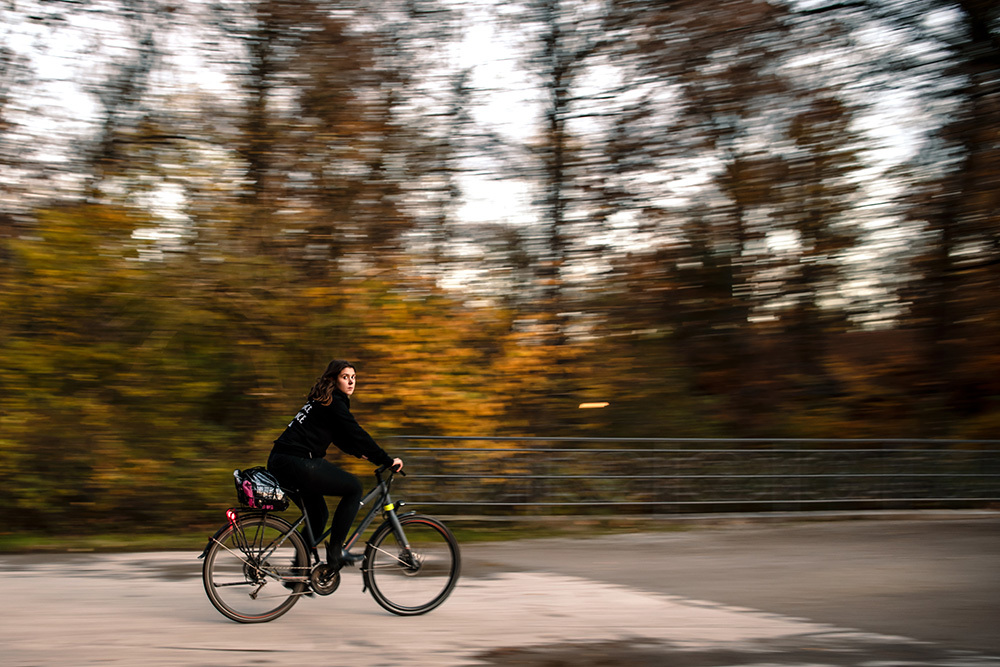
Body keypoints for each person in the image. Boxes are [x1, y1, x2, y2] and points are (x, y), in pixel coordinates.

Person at [267, 360, 403, 569]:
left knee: (319, 514)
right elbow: (356, 433)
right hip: (297, 461)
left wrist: (361, 453)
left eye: (353, 377)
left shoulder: (324, 401)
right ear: (333, 379)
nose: (351, 382)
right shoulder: (334, 403)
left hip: (282, 460)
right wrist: (386, 460)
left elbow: (340, 437)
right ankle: (336, 551)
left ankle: (299, 572)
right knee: (354, 488)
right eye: (345, 377)